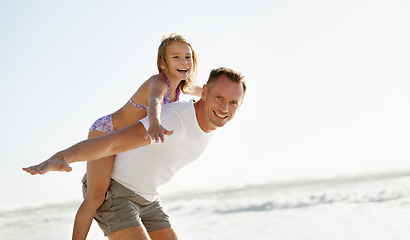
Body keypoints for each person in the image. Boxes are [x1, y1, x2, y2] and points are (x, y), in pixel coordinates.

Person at [23, 67, 246, 240]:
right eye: (219, 98)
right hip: (114, 192)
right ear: (205, 92)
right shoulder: (172, 120)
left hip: (148, 199)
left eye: (233, 102)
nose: (225, 108)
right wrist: (62, 157)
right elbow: (111, 143)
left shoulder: (211, 122)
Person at [71, 33, 201, 240]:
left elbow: (209, 93)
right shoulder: (159, 82)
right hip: (106, 130)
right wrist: (155, 123)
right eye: (176, 57)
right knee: (96, 196)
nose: (184, 62)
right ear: (163, 62)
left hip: (124, 140)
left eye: (188, 56)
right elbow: (155, 101)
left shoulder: (184, 86)